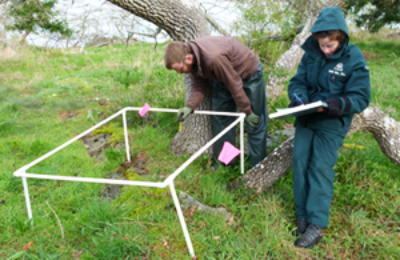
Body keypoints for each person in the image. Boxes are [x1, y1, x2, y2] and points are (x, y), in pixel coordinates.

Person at [288, 6, 371, 248]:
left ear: (341, 39)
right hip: (307, 117)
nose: (325, 50)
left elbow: (361, 97)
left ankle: (316, 224)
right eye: (322, 45)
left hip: (333, 121)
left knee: (320, 168)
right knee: (300, 162)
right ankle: (302, 217)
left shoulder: (354, 57)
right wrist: (298, 98)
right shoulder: (311, 53)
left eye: (330, 46)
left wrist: (336, 104)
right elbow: (297, 82)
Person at [164, 36, 268, 169]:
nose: (179, 73)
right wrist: (189, 107)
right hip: (221, 78)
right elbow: (199, 86)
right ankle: (226, 163)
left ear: (188, 59)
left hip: (247, 73)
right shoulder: (191, 58)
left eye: (179, 69)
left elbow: (234, 83)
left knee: (255, 121)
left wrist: (247, 111)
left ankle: (257, 168)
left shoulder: (214, 58)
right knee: (221, 121)